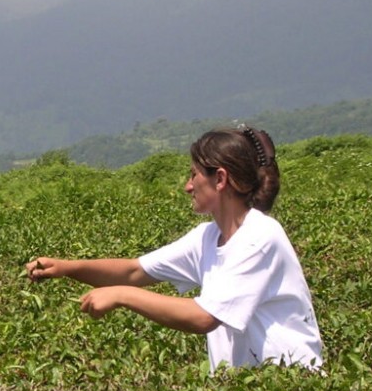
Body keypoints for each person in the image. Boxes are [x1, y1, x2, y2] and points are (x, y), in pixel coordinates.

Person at [26, 126, 323, 373]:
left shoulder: (259, 237)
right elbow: (134, 271)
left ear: (219, 179)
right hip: (247, 389)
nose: (187, 186)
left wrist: (121, 296)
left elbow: (203, 317)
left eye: (194, 175)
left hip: (289, 387)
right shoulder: (208, 237)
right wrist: (65, 268)